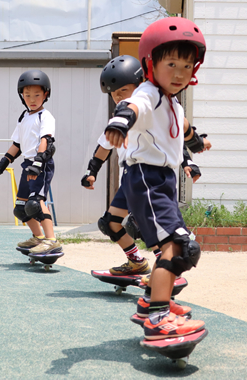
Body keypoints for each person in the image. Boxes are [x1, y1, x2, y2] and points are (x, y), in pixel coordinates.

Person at [105, 17, 210, 340]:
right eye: (172, 64)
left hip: (162, 181)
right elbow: (133, 106)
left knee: (176, 248)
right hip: (147, 179)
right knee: (177, 246)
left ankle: (150, 303)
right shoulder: (149, 93)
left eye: (188, 66)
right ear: (151, 64)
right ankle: (158, 319)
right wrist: (121, 121)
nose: (180, 73)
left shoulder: (172, 103)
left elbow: (186, 130)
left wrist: (196, 144)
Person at [82, 55, 204, 278]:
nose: (119, 96)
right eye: (114, 92)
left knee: (150, 228)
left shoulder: (151, 104)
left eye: (124, 90)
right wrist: (92, 172)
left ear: (140, 86)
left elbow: (175, 135)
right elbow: (104, 146)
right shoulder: (124, 115)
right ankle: (136, 262)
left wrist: (190, 159)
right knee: (110, 223)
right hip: (129, 181)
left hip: (148, 179)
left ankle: (165, 274)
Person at [0, 70, 61, 254]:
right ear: (21, 96)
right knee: (21, 209)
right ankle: (38, 238)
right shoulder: (23, 117)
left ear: (46, 94)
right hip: (27, 164)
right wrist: (2, 164)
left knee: (35, 203)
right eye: (27, 95)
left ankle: (51, 240)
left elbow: (46, 140)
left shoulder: (45, 116)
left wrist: (38, 163)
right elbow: (17, 144)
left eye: (37, 95)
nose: (32, 99)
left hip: (41, 165)